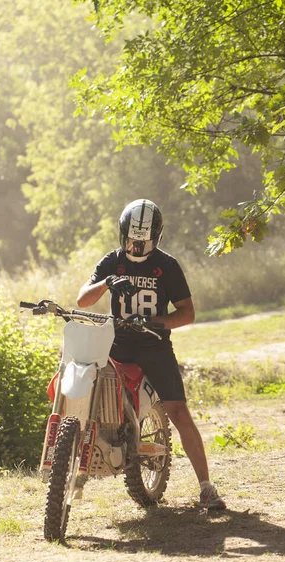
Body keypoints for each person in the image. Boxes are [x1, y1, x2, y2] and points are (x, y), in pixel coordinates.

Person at [77, 198, 226, 510]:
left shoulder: (167, 266)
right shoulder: (112, 261)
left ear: (156, 238)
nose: (136, 246)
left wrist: (155, 322)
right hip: (116, 345)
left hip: (154, 345)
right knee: (87, 395)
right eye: (131, 240)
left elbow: (187, 314)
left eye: (142, 242)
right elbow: (82, 301)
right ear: (122, 234)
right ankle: (78, 472)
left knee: (179, 411)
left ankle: (207, 487)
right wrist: (106, 283)